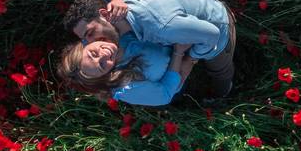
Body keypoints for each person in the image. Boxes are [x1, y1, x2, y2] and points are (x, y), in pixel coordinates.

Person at [62, 0, 236, 98]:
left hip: (220, 24)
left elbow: (213, 35)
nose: (95, 44)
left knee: (220, 69)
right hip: (196, 3)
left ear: (105, 14)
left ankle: (224, 92)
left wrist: (192, 57)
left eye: (90, 33)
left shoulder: (162, 27)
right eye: (87, 40)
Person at [56, 21, 196, 106]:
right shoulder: (126, 88)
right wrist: (181, 54)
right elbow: (165, 94)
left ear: (85, 44)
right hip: (185, 62)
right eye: (102, 66)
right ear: (105, 75)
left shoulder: (97, 31)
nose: (104, 55)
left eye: (93, 53)